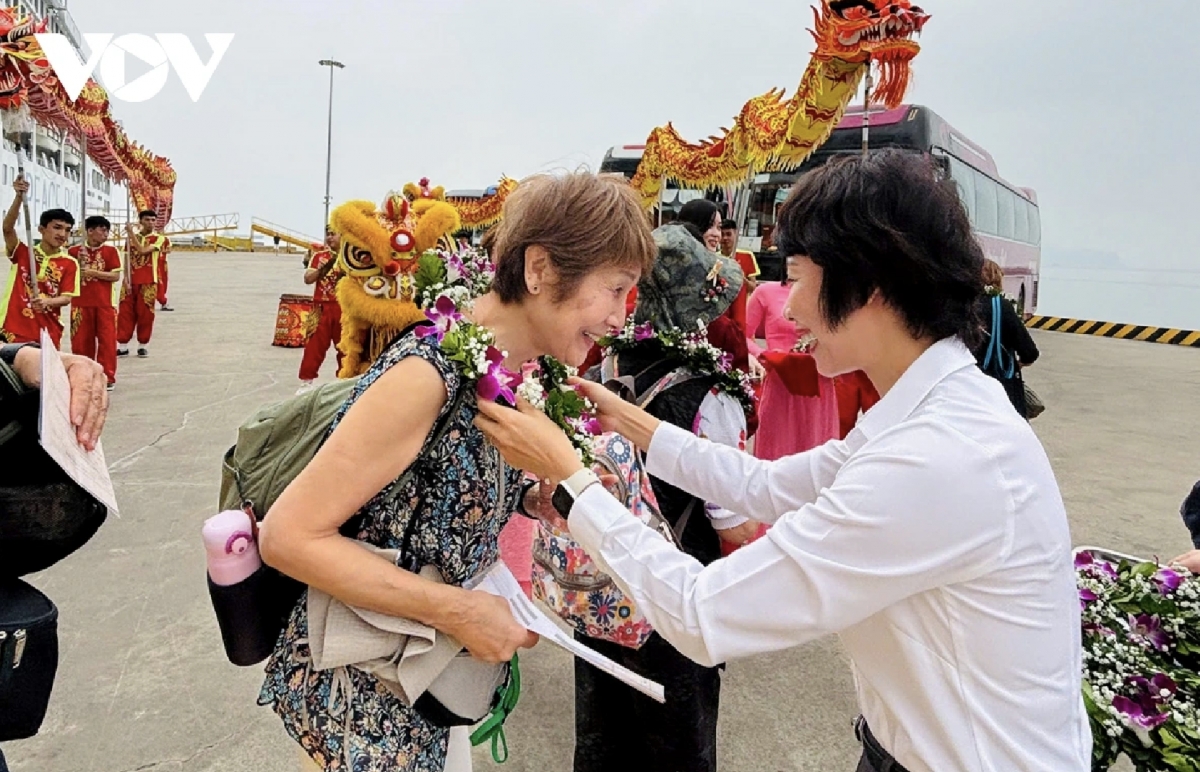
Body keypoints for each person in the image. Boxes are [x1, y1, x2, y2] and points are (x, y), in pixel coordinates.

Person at [476, 150, 1092, 772]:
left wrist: (573, 484)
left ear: (870, 285)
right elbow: (768, 485)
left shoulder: (940, 461)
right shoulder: (930, 410)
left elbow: (702, 612)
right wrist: (631, 421)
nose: (787, 306)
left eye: (797, 276)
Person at [256, 172, 657, 772]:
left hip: (427, 682)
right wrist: (459, 611)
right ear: (541, 269)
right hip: (368, 699)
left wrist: (526, 500)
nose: (622, 319)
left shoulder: (511, 369)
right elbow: (288, 538)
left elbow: (428, 486)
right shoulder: (426, 376)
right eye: (616, 289)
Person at [573, 221, 754, 772]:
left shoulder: (603, 371)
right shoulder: (710, 397)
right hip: (675, 602)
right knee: (677, 744)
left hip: (602, 593)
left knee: (603, 738)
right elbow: (736, 527)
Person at [745, 255, 840, 460]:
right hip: (781, 381)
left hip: (819, 383)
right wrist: (764, 356)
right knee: (776, 452)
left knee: (817, 450)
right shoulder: (766, 292)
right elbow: (742, 334)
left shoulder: (828, 292)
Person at [1, 178, 79, 349]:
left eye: (67, 230)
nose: (62, 234)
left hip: (47, 331)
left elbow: (66, 298)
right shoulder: (23, 252)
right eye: (57, 227)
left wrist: (47, 303)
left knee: (42, 376)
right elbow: (7, 229)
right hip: (12, 328)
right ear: (41, 229)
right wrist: (19, 198)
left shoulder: (70, 263)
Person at [973, 259, 1038, 417]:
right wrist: (1018, 364)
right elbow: (1030, 352)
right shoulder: (1002, 307)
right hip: (1001, 387)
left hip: (966, 388)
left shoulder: (961, 306)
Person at [69, 216, 122, 391]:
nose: (105, 234)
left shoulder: (110, 252)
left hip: (105, 304)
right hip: (80, 303)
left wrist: (92, 271)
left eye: (107, 230)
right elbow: (66, 273)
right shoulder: (74, 251)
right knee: (81, 342)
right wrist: (78, 262)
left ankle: (107, 376)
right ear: (89, 231)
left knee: (107, 342)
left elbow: (115, 276)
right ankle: (84, 374)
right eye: (102, 230)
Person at [297, 229, 344, 394]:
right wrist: (321, 270)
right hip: (319, 307)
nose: (330, 237)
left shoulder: (351, 257)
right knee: (313, 345)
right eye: (328, 234)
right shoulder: (319, 256)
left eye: (334, 233)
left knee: (346, 347)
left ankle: (344, 382)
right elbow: (307, 279)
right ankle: (306, 382)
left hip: (343, 308)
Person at [118, 210, 168, 357]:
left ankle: (143, 344)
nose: (151, 223)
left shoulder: (159, 239)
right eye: (147, 220)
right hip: (131, 281)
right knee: (125, 313)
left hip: (148, 281)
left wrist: (130, 233)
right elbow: (127, 258)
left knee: (145, 314)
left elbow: (142, 250)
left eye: (153, 220)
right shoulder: (130, 239)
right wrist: (126, 278)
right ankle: (122, 345)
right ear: (141, 221)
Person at [720, 218, 760, 333]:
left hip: (742, 310)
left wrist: (740, 279)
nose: (725, 238)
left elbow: (752, 287)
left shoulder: (747, 255)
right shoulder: (713, 256)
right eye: (722, 235)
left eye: (728, 234)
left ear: (736, 234)